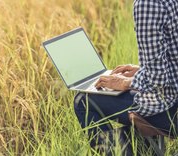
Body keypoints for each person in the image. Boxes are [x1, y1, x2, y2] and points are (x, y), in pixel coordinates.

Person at [74, 0, 178, 153]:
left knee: (82, 100)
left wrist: (127, 82)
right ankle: (144, 150)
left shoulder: (147, 4)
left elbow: (158, 80)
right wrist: (142, 70)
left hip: (172, 111)